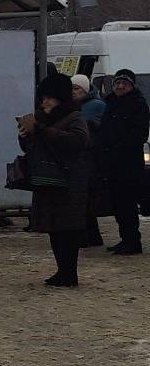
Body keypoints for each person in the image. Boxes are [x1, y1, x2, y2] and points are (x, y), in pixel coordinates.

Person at [19, 72, 91, 287]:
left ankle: (69, 273)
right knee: (54, 228)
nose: (45, 101)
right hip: (48, 178)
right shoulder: (42, 117)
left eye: (49, 97)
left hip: (69, 179)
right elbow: (34, 148)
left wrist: (43, 131)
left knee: (68, 229)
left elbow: (78, 141)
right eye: (43, 97)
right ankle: (63, 271)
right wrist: (26, 136)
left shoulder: (75, 117)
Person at [97, 68, 149, 256]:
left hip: (128, 164)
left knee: (127, 204)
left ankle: (132, 241)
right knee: (117, 204)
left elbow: (138, 134)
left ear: (131, 86)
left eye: (124, 83)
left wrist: (117, 148)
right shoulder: (110, 103)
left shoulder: (138, 104)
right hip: (111, 164)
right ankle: (125, 238)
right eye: (117, 83)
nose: (120, 86)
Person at [72, 74, 107, 247]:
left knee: (87, 199)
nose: (74, 92)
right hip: (82, 158)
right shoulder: (77, 106)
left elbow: (97, 129)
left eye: (77, 88)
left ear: (85, 89)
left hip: (91, 158)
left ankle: (89, 236)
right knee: (84, 199)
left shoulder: (96, 105)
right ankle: (89, 235)